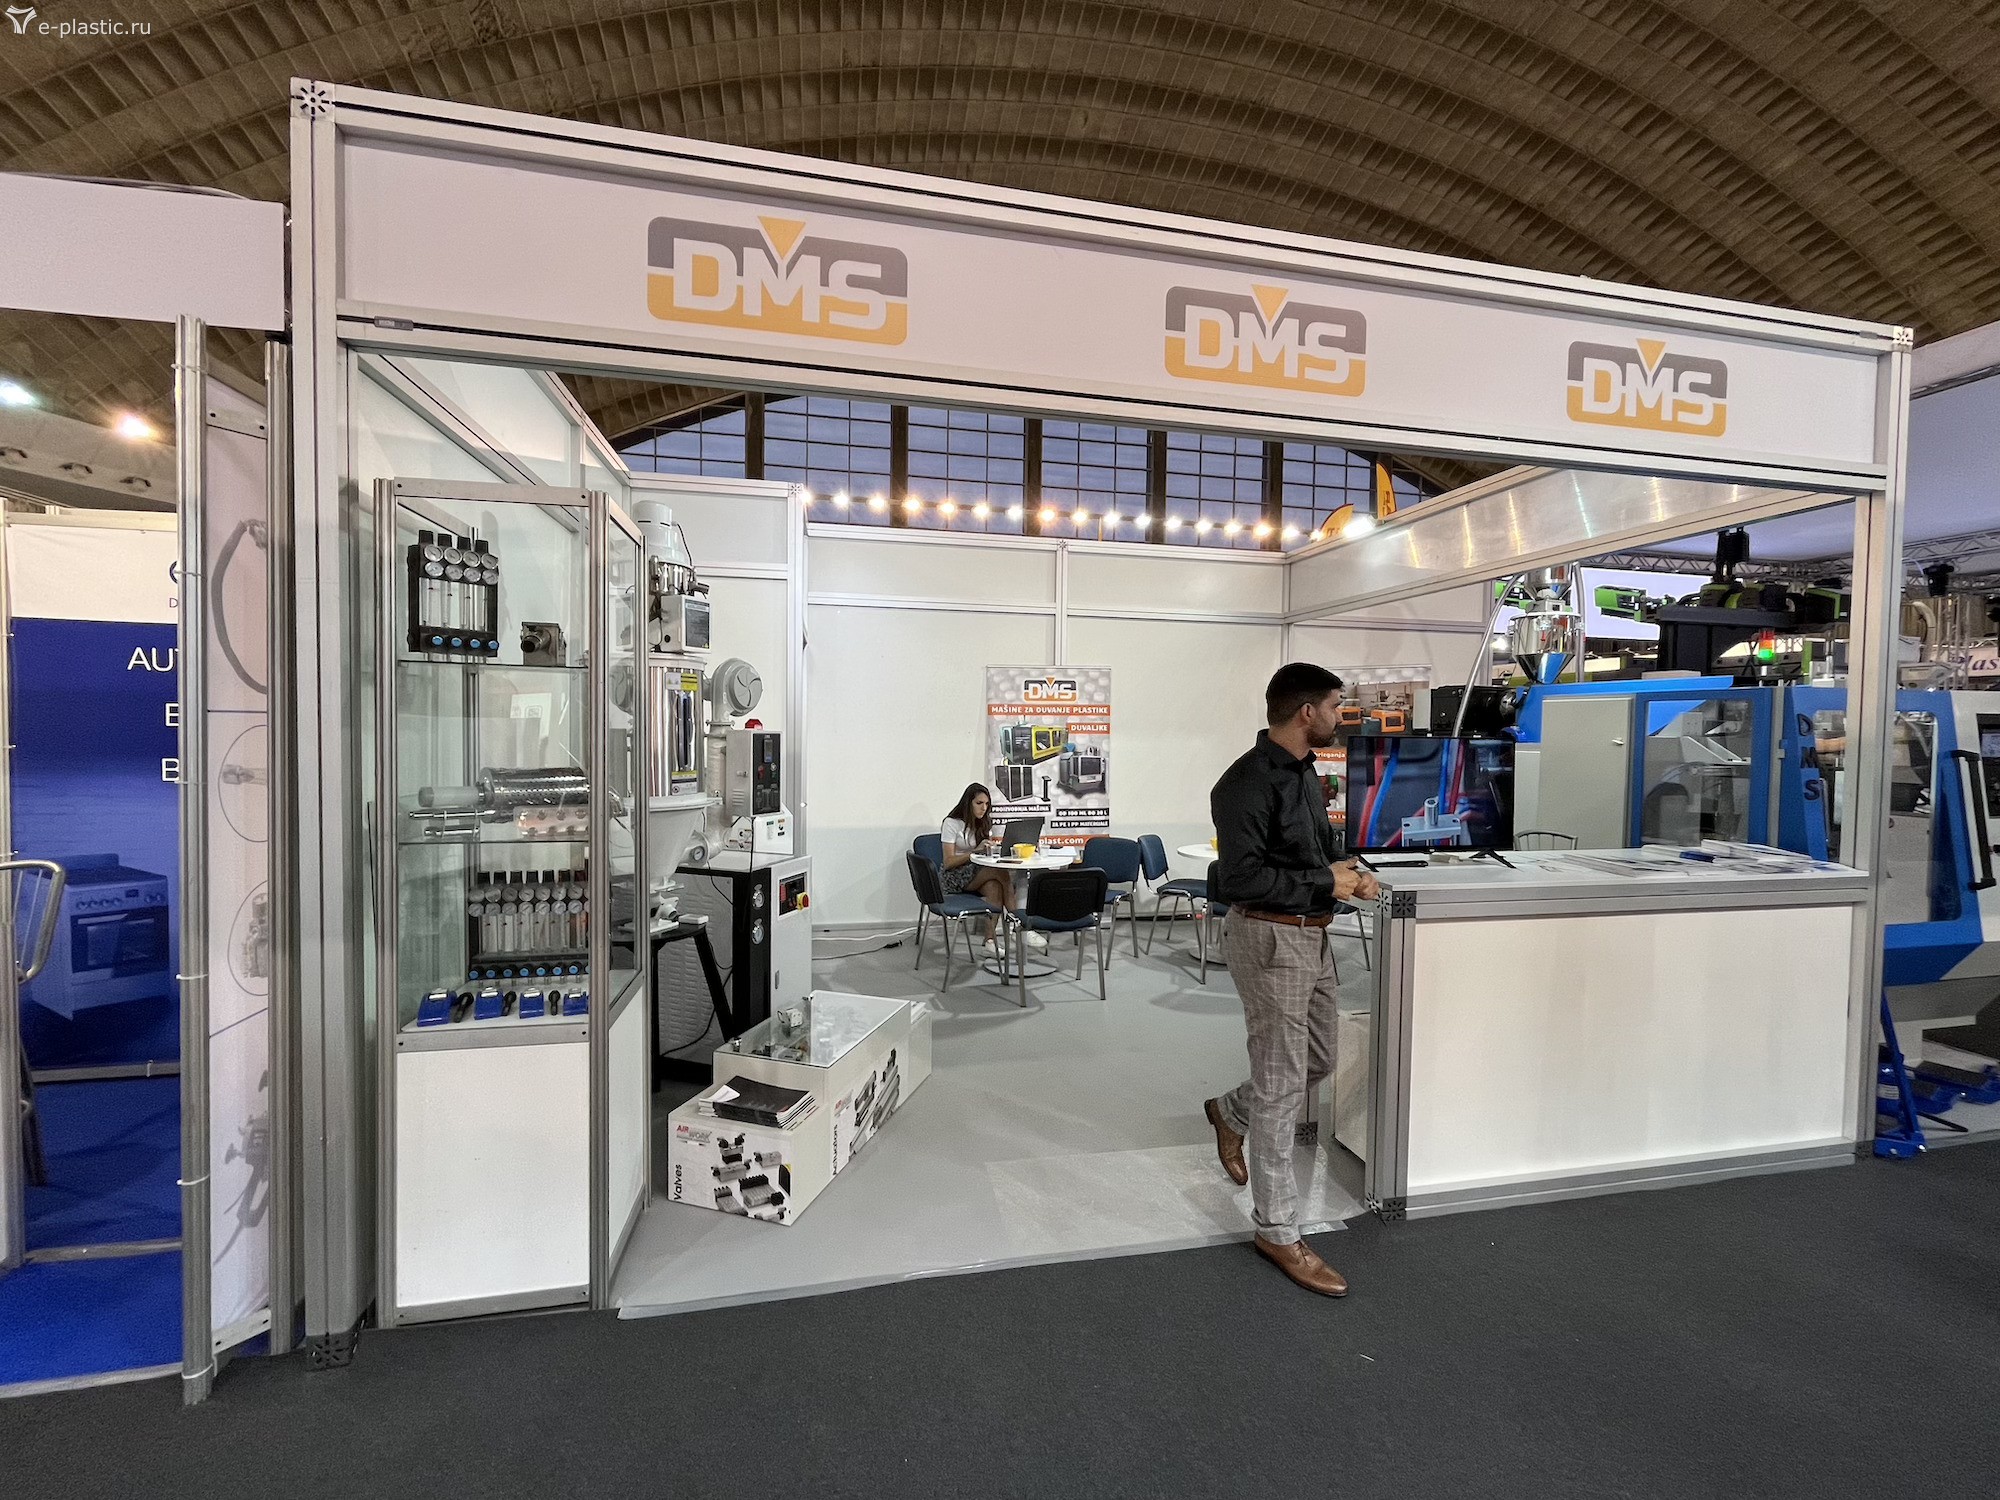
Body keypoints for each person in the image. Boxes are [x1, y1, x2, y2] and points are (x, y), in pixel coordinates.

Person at [1202, 662, 1380, 1297]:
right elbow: (1238, 880)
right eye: (1335, 705)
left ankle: (1230, 1111)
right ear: (1307, 712)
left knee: (1320, 1058)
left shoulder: (1305, 772)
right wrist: (1325, 880)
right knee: (1281, 1084)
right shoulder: (1243, 784)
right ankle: (1277, 1229)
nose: (1341, 716)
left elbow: (1317, 849)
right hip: (1270, 935)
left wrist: (1349, 868)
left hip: (1312, 932)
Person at [939, 784, 1041, 950]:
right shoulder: (951, 823)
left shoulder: (982, 823)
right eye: (979, 803)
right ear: (968, 803)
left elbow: (981, 854)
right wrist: (974, 852)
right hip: (954, 876)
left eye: (987, 804)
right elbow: (948, 862)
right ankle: (1020, 925)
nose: (984, 808)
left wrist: (995, 849)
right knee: (1001, 872)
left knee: (995, 887)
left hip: (975, 871)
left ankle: (989, 942)